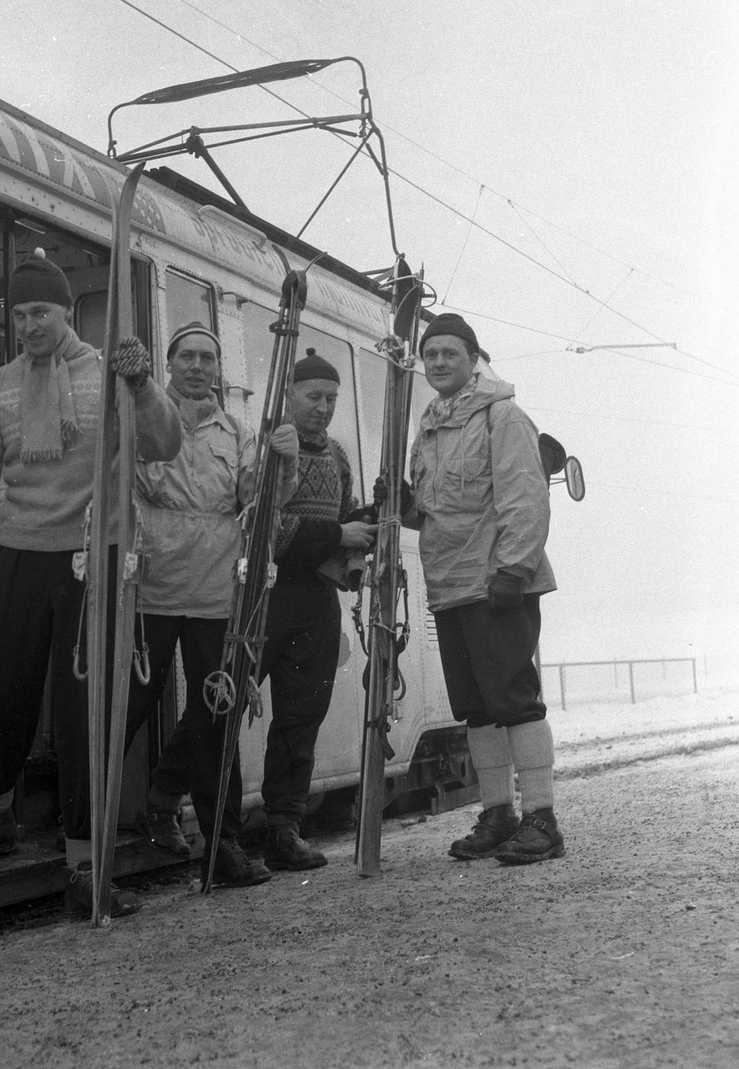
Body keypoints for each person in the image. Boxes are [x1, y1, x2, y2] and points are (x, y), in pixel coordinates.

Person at [0, 251, 181, 917]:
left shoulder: (110, 374)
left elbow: (164, 443)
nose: (29, 324)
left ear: (65, 313)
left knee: (86, 713)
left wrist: (142, 386)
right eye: (20, 313)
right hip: (18, 548)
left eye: (41, 312)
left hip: (93, 555)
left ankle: (88, 871)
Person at [123, 322, 299, 888]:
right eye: (187, 357)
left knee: (216, 716)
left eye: (207, 358)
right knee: (126, 707)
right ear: (169, 365)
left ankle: (220, 845)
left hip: (216, 593)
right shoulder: (142, 418)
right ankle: (89, 840)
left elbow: (258, 497)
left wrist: (286, 463)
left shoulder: (239, 432)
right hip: (150, 586)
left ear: (218, 370)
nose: (197, 366)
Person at [402, 311, 564, 863]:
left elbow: (524, 496)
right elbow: (437, 507)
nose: (439, 362)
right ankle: (499, 814)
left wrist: (513, 570)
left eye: (450, 353)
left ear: (474, 359)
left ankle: (542, 819)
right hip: (450, 587)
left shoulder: (502, 417)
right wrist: (402, 507)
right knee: (477, 709)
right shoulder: (430, 427)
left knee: (514, 701)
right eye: (431, 355)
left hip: (496, 582)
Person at [255, 347, 377, 872]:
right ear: (289, 396)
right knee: (224, 703)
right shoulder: (269, 449)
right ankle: (176, 812)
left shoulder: (339, 456)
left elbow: (344, 518)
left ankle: (284, 829)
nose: (323, 407)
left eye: (331, 398)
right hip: (265, 594)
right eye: (313, 396)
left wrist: (363, 530)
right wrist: (338, 533)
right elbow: (269, 530)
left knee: (301, 718)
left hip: (316, 600)